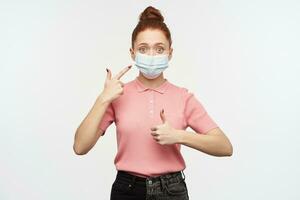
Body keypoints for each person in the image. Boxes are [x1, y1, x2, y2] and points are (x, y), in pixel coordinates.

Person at [73, 6, 233, 200]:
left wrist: (178, 136)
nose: (151, 55)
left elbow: (224, 146)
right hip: (127, 190)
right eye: (143, 49)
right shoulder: (117, 95)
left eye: (159, 49)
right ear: (132, 53)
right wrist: (103, 99)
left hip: (172, 191)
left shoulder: (183, 97)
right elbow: (80, 147)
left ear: (170, 53)